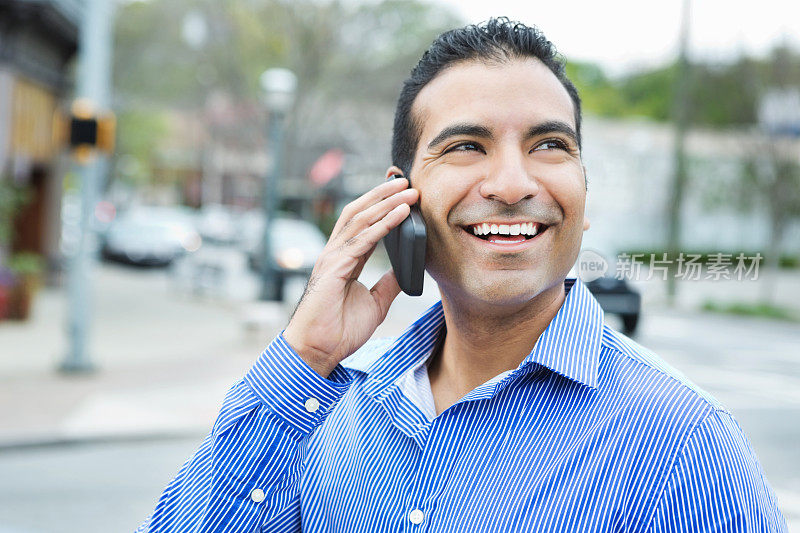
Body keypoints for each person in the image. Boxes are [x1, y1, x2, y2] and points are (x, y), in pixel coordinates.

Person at [139, 18, 787, 532]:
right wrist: (303, 358)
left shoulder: (681, 447)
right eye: (466, 145)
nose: (512, 183)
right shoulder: (325, 416)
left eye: (549, 145)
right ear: (400, 202)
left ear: (582, 197)